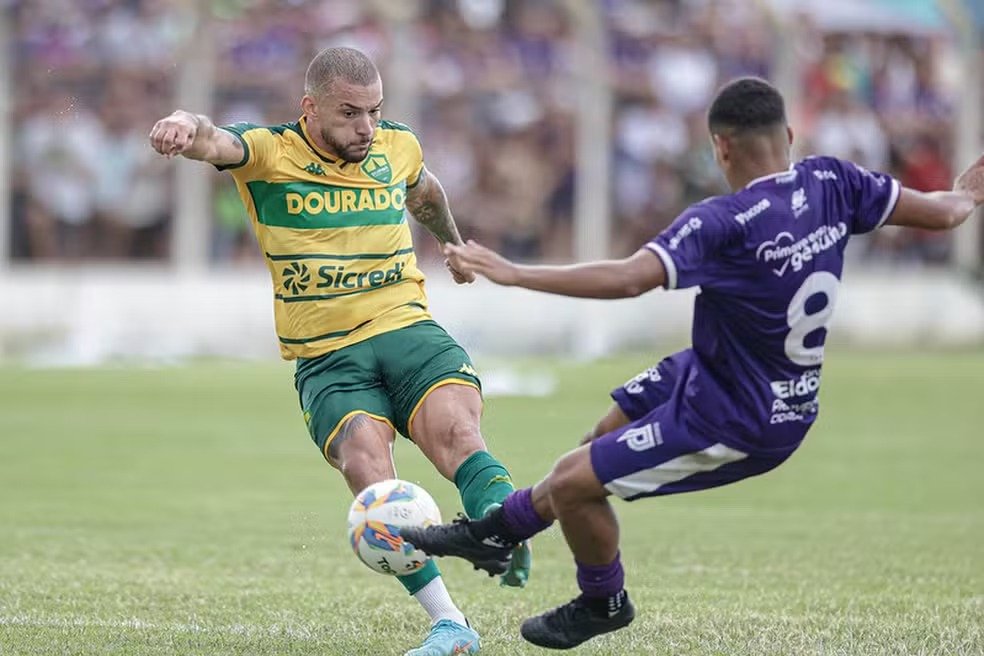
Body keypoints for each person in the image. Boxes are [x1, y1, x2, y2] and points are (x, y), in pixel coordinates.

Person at [401, 77, 984, 650]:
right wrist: (968, 191)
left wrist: (514, 272)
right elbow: (945, 211)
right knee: (599, 439)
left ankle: (602, 600)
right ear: (787, 134)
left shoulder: (722, 221)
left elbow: (631, 279)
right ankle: (499, 532)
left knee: (577, 483)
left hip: (741, 416)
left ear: (721, 147)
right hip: (724, 370)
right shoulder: (834, 181)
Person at [149, 46, 533, 656]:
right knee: (365, 470)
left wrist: (453, 246)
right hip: (327, 355)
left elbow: (424, 191)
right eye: (350, 113)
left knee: (459, 435)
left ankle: (506, 529)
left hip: (406, 329)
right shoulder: (270, 152)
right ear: (310, 107)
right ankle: (450, 624)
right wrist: (182, 121)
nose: (367, 127)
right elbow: (212, 138)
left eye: (375, 111)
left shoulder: (397, 145)